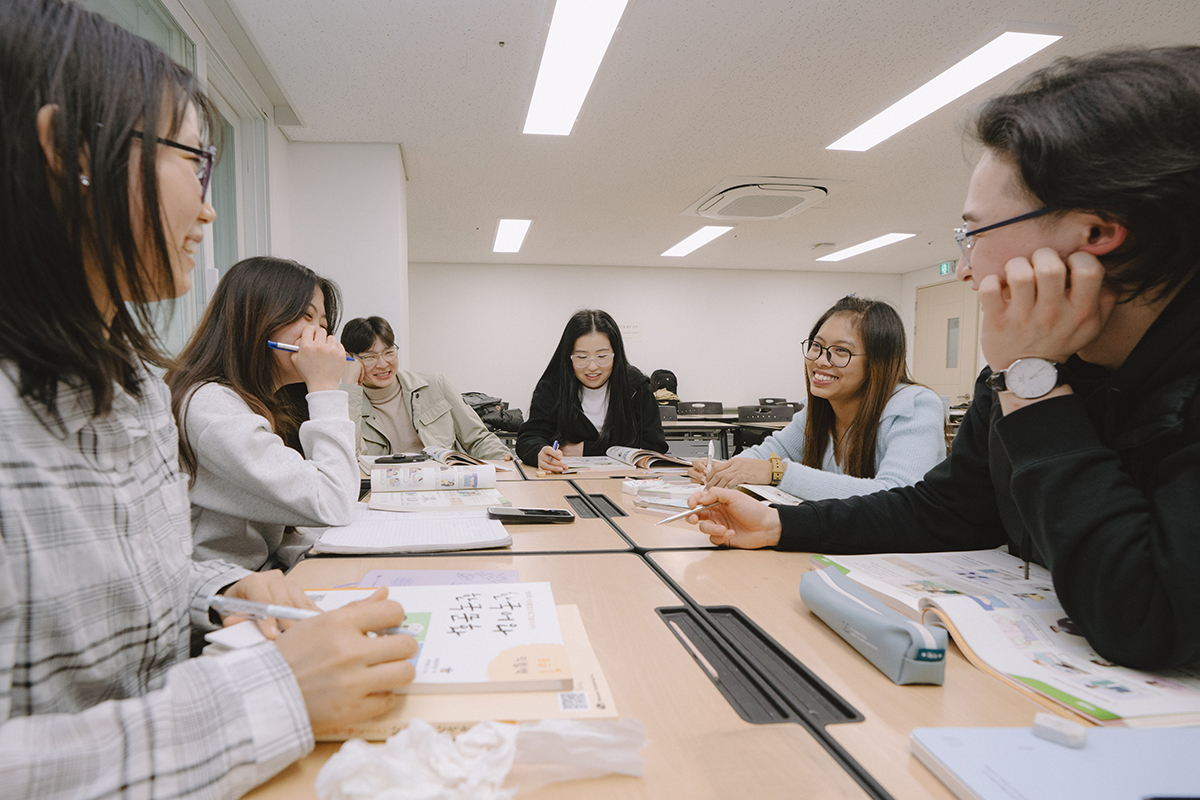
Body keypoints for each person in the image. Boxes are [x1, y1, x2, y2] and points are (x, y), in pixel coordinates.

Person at [0, 3, 416, 797]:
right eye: (195, 162)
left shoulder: (125, 384)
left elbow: (135, 597)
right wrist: (276, 693)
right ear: (69, 153)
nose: (210, 207)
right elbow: (333, 500)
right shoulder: (206, 402)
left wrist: (216, 586)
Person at [685, 47, 1200, 671]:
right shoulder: (1033, 367)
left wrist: (1033, 383)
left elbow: (1149, 615)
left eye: (975, 233)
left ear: (1096, 234)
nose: (963, 266)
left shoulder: (1029, 370)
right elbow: (947, 513)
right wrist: (782, 529)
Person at [167, 256, 361, 571]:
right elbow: (333, 501)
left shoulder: (265, 404)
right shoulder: (212, 407)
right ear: (255, 318)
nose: (321, 338)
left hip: (262, 578)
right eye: (306, 317)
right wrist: (325, 389)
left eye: (323, 325)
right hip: (224, 597)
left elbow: (278, 531)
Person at [687, 297, 946, 499]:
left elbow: (896, 496)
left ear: (879, 362)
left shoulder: (915, 406)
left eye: (840, 351)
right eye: (816, 346)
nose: (820, 361)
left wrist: (778, 473)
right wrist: (723, 469)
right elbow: (767, 455)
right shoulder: (819, 407)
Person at [340, 316, 511, 460]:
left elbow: (477, 438)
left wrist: (506, 465)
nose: (383, 364)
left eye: (389, 352)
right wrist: (349, 384)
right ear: (349, 358)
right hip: (386, 492)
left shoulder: (434, 384)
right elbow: (350, 462)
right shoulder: (346, 404)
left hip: (444, 484)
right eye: (370, 357)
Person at [517, 309, 667, 471]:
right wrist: (540, 453)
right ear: (568, 356)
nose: (593, 367)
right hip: (565, 480)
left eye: (602, 356)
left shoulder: (635, 386)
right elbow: (529, 438)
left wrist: (587, 450)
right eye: (582, 357)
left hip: (626, 482)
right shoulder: (553, 386)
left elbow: (654, 447)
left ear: (615, 354)